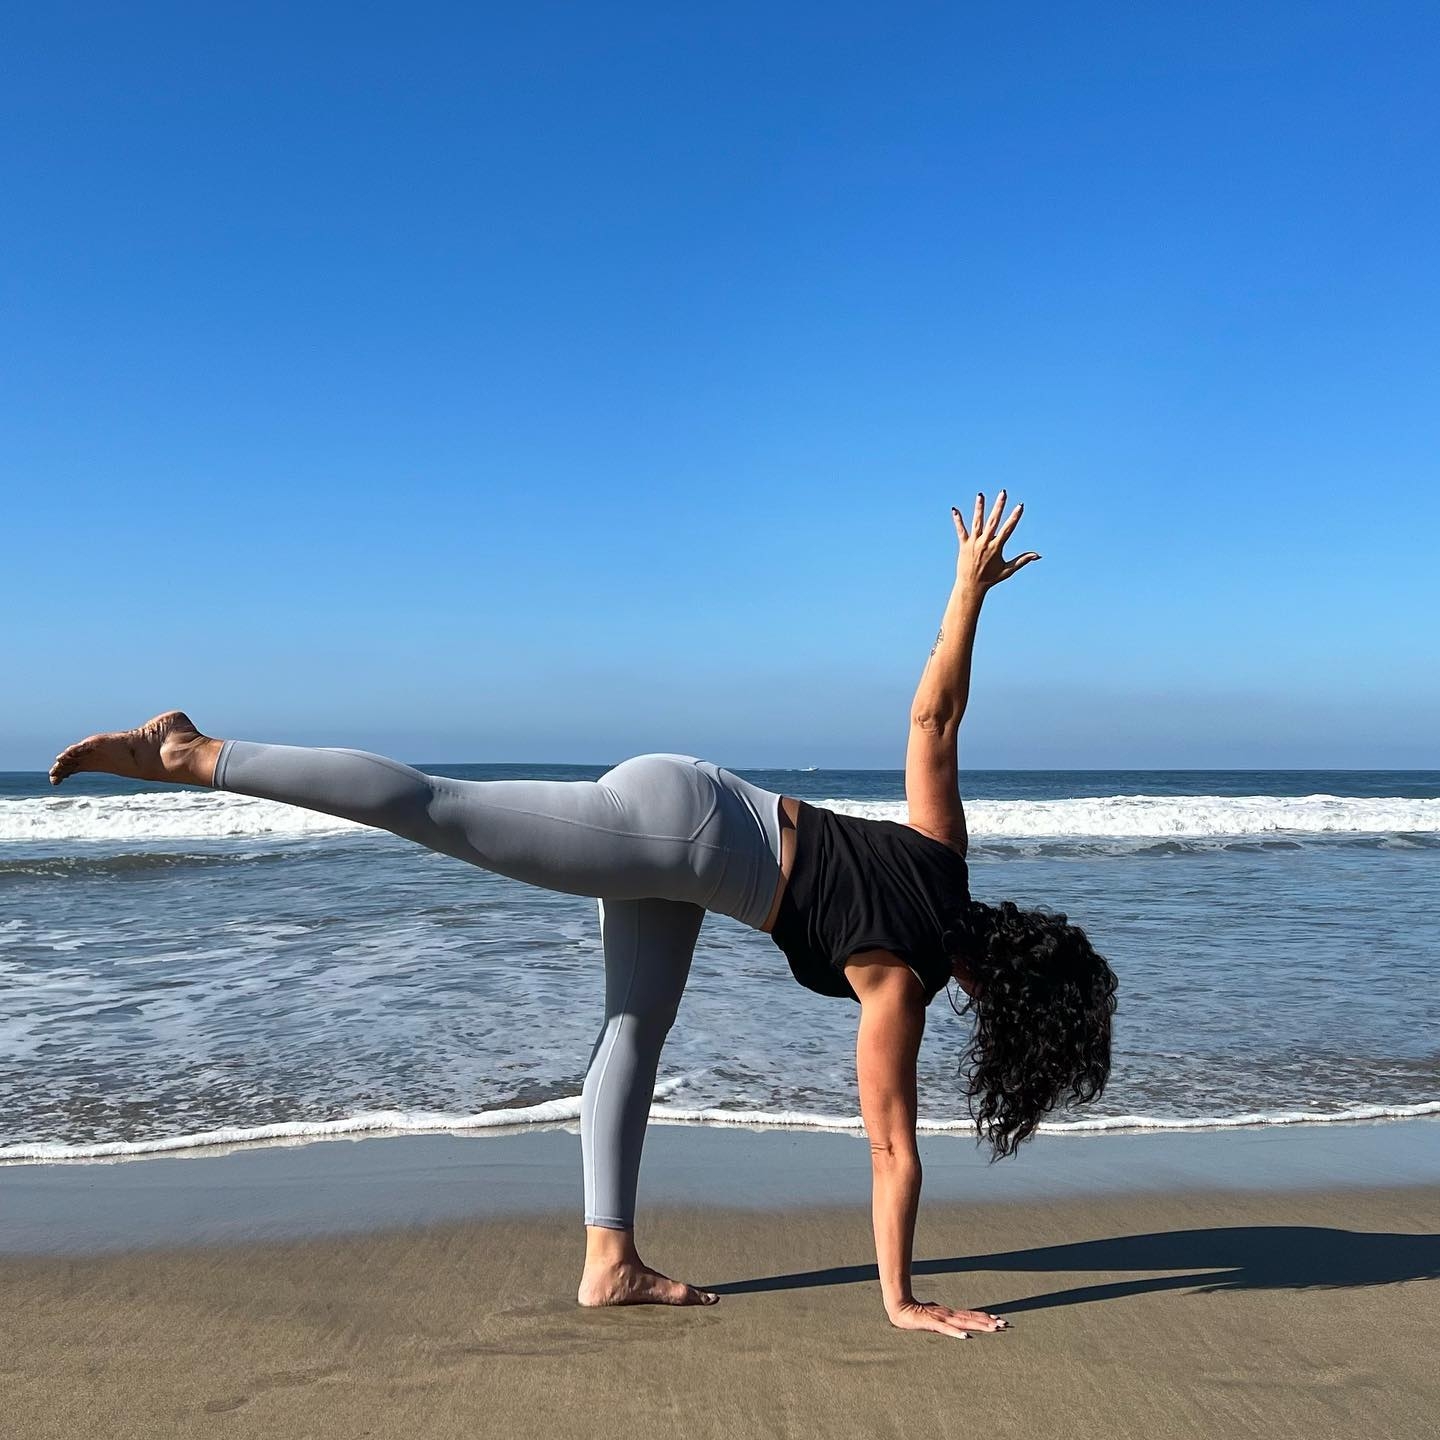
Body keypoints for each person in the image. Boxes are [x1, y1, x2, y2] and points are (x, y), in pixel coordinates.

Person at [50, 493, 1117, 1339]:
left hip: (701, 833)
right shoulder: (900, 980)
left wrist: (968, 590)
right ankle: (195, 754)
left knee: (634, 1034)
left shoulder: (944, 860)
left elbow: (935, 716)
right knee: (444, 811)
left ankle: (611, 1261)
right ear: (1009, 1005)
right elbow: (893, 1151)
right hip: (681, 835)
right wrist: (900, 1300)